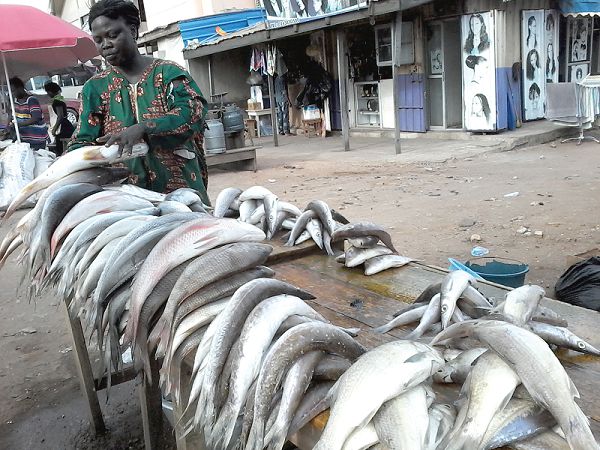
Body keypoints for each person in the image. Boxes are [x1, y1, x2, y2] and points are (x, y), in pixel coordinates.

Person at [67, 0, 209, 203]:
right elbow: (83, 139)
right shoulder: (95, 88)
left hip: (182, 193)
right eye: (98, 40)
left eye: (112, 35)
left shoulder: (169, 73)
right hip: (127, 200)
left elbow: (192, 114)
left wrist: (145, 128)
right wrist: (69, 161)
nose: (105, 44)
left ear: (133, 31)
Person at [7, 77, 49, 150]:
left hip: (37, 139)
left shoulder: (31, 100)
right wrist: (8, 126)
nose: (12, 93)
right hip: (24, 139)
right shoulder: (15, 101)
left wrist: (18, 125)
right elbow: (11, 115)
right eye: (10, 91)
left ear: (20, 88)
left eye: (13, 91)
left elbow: (36, 118)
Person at [43, 81, 75, 156]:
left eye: (48, 92)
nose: (48, 94)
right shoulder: (60, 99)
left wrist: (54, 129)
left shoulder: (57, 102)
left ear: (51, 92)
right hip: (65, 125)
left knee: (60, 149)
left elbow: (60, 116)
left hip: (63, 127)